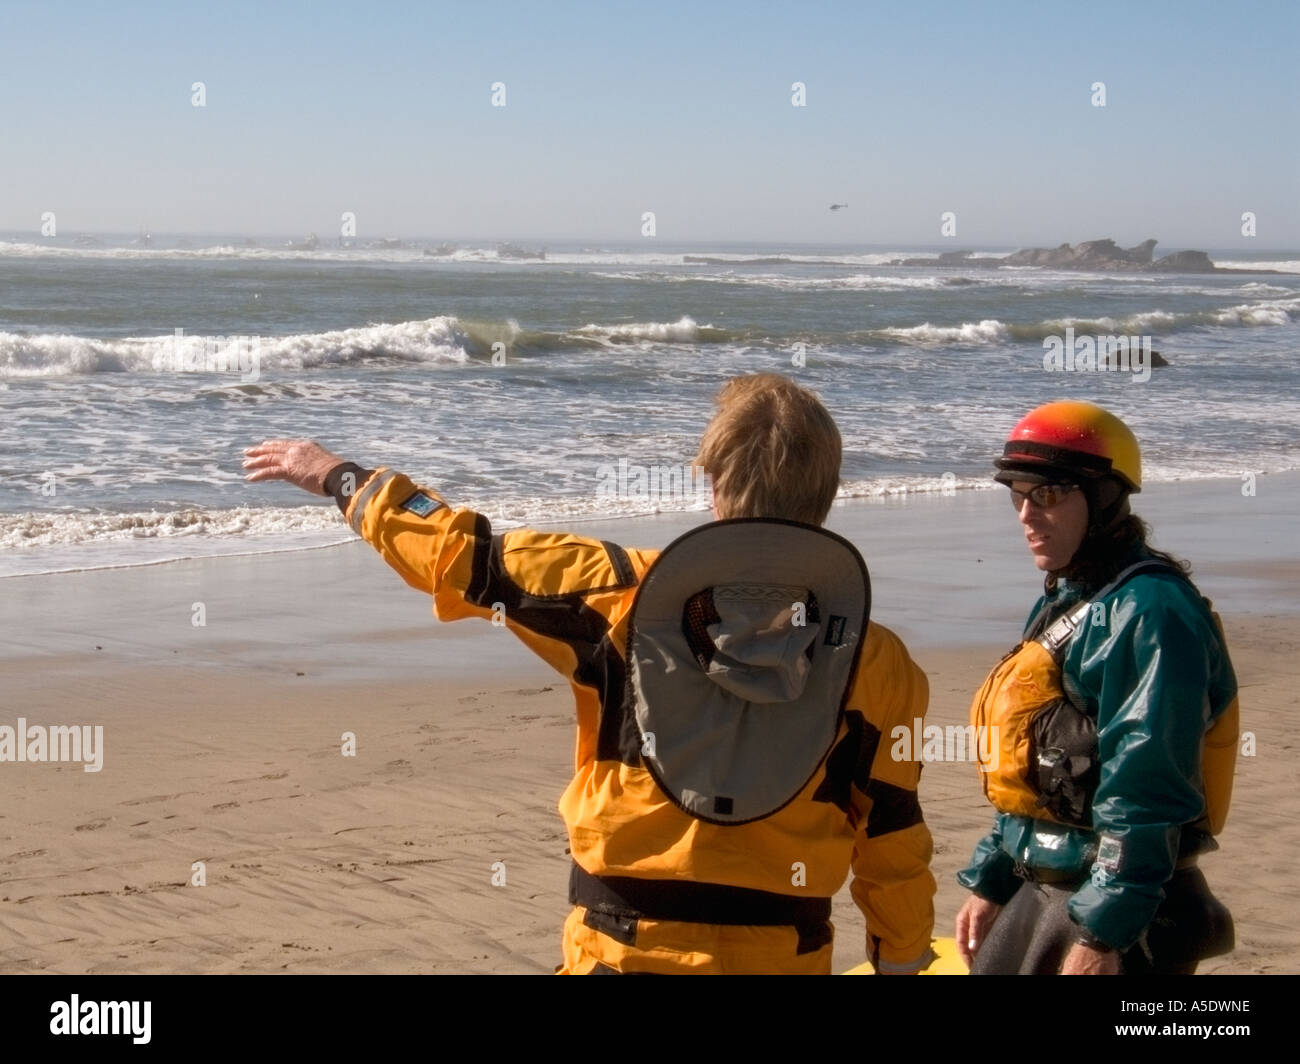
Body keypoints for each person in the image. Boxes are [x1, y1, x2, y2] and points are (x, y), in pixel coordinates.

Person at [244, 373, 936, 974]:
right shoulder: (876, 663)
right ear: (827, 492)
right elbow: (891, 839)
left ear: (714, 480)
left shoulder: (616, 596)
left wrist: (341, 478)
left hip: (619, 953)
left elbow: (460, 552)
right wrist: (900, 961)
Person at [955, 400, 1239, 975]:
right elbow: (1034, 764)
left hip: (1119, 909)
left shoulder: (1152, 612)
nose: (1026, 515)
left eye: (1049, 495)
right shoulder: (1069, 600)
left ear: (1104, 496)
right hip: (1045, 889)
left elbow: (1146, 784)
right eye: (1018, 495)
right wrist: (993, 874)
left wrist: (1103, 932)